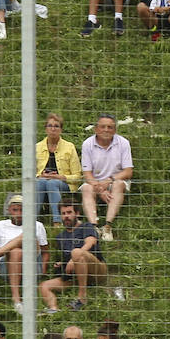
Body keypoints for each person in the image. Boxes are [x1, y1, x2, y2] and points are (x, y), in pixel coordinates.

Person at [0, 195, 49, 313]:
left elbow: (45, 251)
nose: (19, 213)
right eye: (15, 210)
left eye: (22, 210)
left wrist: (43, 271)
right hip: (8, 267)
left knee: (27, 235)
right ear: (9, 210)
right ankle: (17, 300)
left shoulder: (37, 225)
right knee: (15, 251)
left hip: (32, 265)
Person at [39, 201, 104, 312]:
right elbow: (66, 257)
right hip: (76, 276)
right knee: (43, 286)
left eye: (69, 212)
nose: (66, 216)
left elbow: (91, 242)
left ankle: (82, 298)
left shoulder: (86, 226)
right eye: (63, 213)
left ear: (77, 213)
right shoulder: (60, 237)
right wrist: (61, 263)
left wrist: (74, 259)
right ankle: (53, 309)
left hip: (96, 270)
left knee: (77, 253)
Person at [80, 113, 133, 241]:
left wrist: (110, 180)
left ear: (114, 130)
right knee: (86, 189)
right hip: (95, 183)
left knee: (119, 184)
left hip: (115, 180)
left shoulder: (123, 143)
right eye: (102, 126)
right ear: (96, 129)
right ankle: (94, 226)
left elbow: (128, 171)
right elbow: (87, 173)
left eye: (110, 127)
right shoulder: (87, 144)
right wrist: (100, 189)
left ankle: (108, 226)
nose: (106, 130)